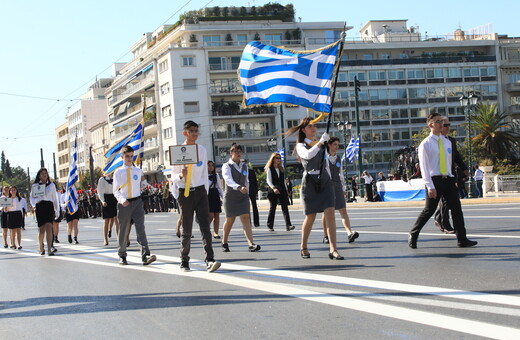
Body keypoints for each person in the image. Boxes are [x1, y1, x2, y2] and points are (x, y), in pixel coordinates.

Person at [408, 113, 478, 249]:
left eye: (442, 121)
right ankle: (413, 233)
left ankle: (462, 239)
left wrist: (454, 176)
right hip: (435, 180)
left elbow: (451, 161)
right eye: (437, 121)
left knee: (457, 210)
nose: (441, 124)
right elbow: (424, 166)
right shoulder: (426, 144)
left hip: (449, 179)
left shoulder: (447, 142)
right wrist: (430, 186)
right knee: (429, 210)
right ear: (430, 125)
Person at [285, 117, 343, 260]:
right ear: (304, 129)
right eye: (310, 126)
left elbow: (327, 163)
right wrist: (321, 143)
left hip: (325, 181)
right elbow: (307, 155)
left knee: (330, 213)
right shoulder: (301, 145)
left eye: (314, 126)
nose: (313, 129)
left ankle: (333, 249)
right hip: (310, 181)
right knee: (310, 216)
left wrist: (335, 184)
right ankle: (303, 246)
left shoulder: (320, 143)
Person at [171, 121, 220, 273]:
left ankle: (209, 259)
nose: (195, 134)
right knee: (187, 228)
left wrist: (204, 190)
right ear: (185, 132)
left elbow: (205, 172)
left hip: (199, 191)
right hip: (185, 192)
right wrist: (181, 175)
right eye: (192, 131)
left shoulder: (202, 150)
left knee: (205, 226)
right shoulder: (179, 150)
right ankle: (184, 260)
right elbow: (173, 175)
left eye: (197, 131)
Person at [113, 145, 157, 266]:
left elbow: (142, 184)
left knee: (140, 229)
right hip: (124, 203)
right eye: (127, 156)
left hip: (137, 202)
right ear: (122, 157)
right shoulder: (118, 172)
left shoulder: (138, 171)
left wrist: (149, 187)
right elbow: (115, 190)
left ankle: (145, 255)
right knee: (123, 230)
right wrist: (122, 200)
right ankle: (122, 255)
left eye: (131, 156)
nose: (129, 158)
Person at [221, 143, 261, 253]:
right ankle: (224, 242)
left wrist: (247, 191)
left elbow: (246, 180)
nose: (238, 153)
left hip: (243, 195)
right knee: (230, 220)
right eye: (235, 151)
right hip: (231, 196)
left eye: (239, 151)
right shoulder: (226, 166)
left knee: (246, 218)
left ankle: (250, 243)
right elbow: (228, 179)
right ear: (231, 153)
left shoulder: (244, 165)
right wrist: (238, 187)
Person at [434, 116, 468, 234]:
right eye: (446, 125)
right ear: (439, 126)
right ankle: (445, 224)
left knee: (450, 203)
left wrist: (464, 169)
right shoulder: (434, 141)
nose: (448, 127)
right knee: (441, 203)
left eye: (449, 125)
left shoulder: (451, 141)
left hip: (451, 175)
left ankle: (441, 220)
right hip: (439, 176)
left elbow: (456, 156)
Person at [321, 137, 359, 245]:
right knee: (327, 212)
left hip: (337, 185)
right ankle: (326, 235)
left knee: (343, 210)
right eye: (335, 145)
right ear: (329, 145)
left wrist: (343, 188)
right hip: (326, 186)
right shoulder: (323, 158)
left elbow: (341, 174)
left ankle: (349, 233)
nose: (337, 147)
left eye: (338, 145)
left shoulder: (338, 158)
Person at [30, 168, 60, 256]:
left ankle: (49, 249)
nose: (44, 175)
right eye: (42, 173)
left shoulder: (51, 185)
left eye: (45, 173)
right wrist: (34, 204)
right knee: (41, 229)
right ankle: (41, 247)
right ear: (39, 176)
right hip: (40, 207)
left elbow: (55, 198)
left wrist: (57, 210)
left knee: (49, 227)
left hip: (49, 206)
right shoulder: (35, 186)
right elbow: (32, 198)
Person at [265, 152, 295, 232]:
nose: (278, 159)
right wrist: (274, 188)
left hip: (281, 189)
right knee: (273, 207)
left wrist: (287, 191)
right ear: (273, 159)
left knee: (285, 207)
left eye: (279, 158)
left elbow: (283, 181)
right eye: (277, 158)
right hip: (273, 190)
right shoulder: (269, 168)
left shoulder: (281, 169)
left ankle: (288, 225)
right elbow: (268, 180)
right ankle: (270, 225)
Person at [98, 173, 119, 246]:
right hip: (106, 198)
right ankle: (105, 238)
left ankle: (118, 237)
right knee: (106, 220)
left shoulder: (116, 178)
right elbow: (100, 191)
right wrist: (102, 201)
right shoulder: (102, 179)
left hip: (115, 198)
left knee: (117, 219)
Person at [207, 160, 224, 239]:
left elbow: (219, 187)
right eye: (209, 165)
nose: (211, 167)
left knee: (217, 215)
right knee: (211, 215)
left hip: (215, 194)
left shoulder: (216, 175)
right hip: (207, 195)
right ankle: (205, 228)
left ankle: (216, 232)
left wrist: (223, 197)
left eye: (212, 165)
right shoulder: (203, 175)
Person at [247, 162, 260, 228]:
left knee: (254, 206)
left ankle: (256, 222)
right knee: (246, 208)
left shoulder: (251, 171)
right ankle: (248, 222)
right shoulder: (241, 172)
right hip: (245, 191)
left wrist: (256, 190)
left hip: (252, 190)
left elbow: (255, 182)